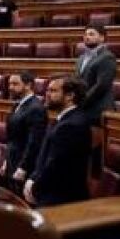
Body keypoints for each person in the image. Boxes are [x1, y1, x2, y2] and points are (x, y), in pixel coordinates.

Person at [24, 75, 92, 207]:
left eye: (53, 91)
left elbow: (55, 166)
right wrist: (32, 178)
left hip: (61, 200)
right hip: (52, 193)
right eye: (47, 90)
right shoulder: (62, 120)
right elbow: (44, 156)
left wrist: (35, 188)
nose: (47, 94)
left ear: (70, 96)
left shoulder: (72, 125)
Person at [1, 71, 46, 192]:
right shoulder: (17, 105)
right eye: (10, 84)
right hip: (13, 161)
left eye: (15, 84)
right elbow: (12, 138)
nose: (10, 87)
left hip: (23, 166)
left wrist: (23, 167)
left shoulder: (36, 108)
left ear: (28, 85)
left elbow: (34, 142)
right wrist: (6, 161)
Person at [75, 24, 117, 125]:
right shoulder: (81, 58)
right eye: (85, 34)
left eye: (91, 34)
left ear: (102, 38)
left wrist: (82, 101)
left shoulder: (107, 57)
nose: (87, 37)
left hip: (99, 110)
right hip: (83, 109)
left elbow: (101, 85)